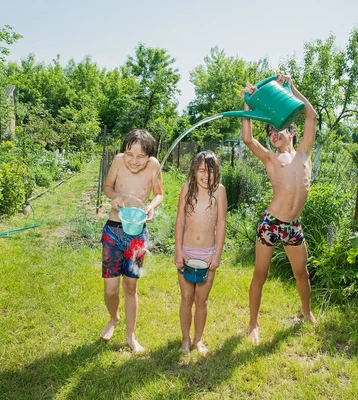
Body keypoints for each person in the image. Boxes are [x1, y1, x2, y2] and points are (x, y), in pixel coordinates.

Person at [240, 75, 318, 345]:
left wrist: (290, 88)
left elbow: (311, 115)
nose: (273, 133)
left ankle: (306, 313)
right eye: (270, 131)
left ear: (292, 132)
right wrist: (248, 104)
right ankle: (253, 325)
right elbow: (248, 139)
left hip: (293, 226)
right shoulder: (270, 158)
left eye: (279, 129)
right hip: (271, 224)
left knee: (302, 273)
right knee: (260, 275)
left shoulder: (304, 153)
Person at [100, 128, 163, 353]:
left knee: (131, 286)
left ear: (149, 156)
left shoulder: (155, 166)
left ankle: (130, 336)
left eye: (140, 156)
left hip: (137, 235)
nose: (134, 161)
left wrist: (151, 206)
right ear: (123, 151)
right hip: (113, 232)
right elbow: (107, 186)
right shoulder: (118, 161)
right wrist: (115, 197)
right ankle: (114, 318)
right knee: (110, 290)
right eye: (129, 154)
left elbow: (159, 193)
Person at [174, 151, 227, 354]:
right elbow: (180, 221)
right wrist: (178, 251)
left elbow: (221, 224)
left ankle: (198, 340)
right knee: (186, 298)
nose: (207, 175)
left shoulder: (219, 191)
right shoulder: (186, 188)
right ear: (195, 171)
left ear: (217, 173)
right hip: (187, 251)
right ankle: (185, 340)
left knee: (201, 300)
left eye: (211, 171)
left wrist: (217, 254)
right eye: (202, 170)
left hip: (208, 253)